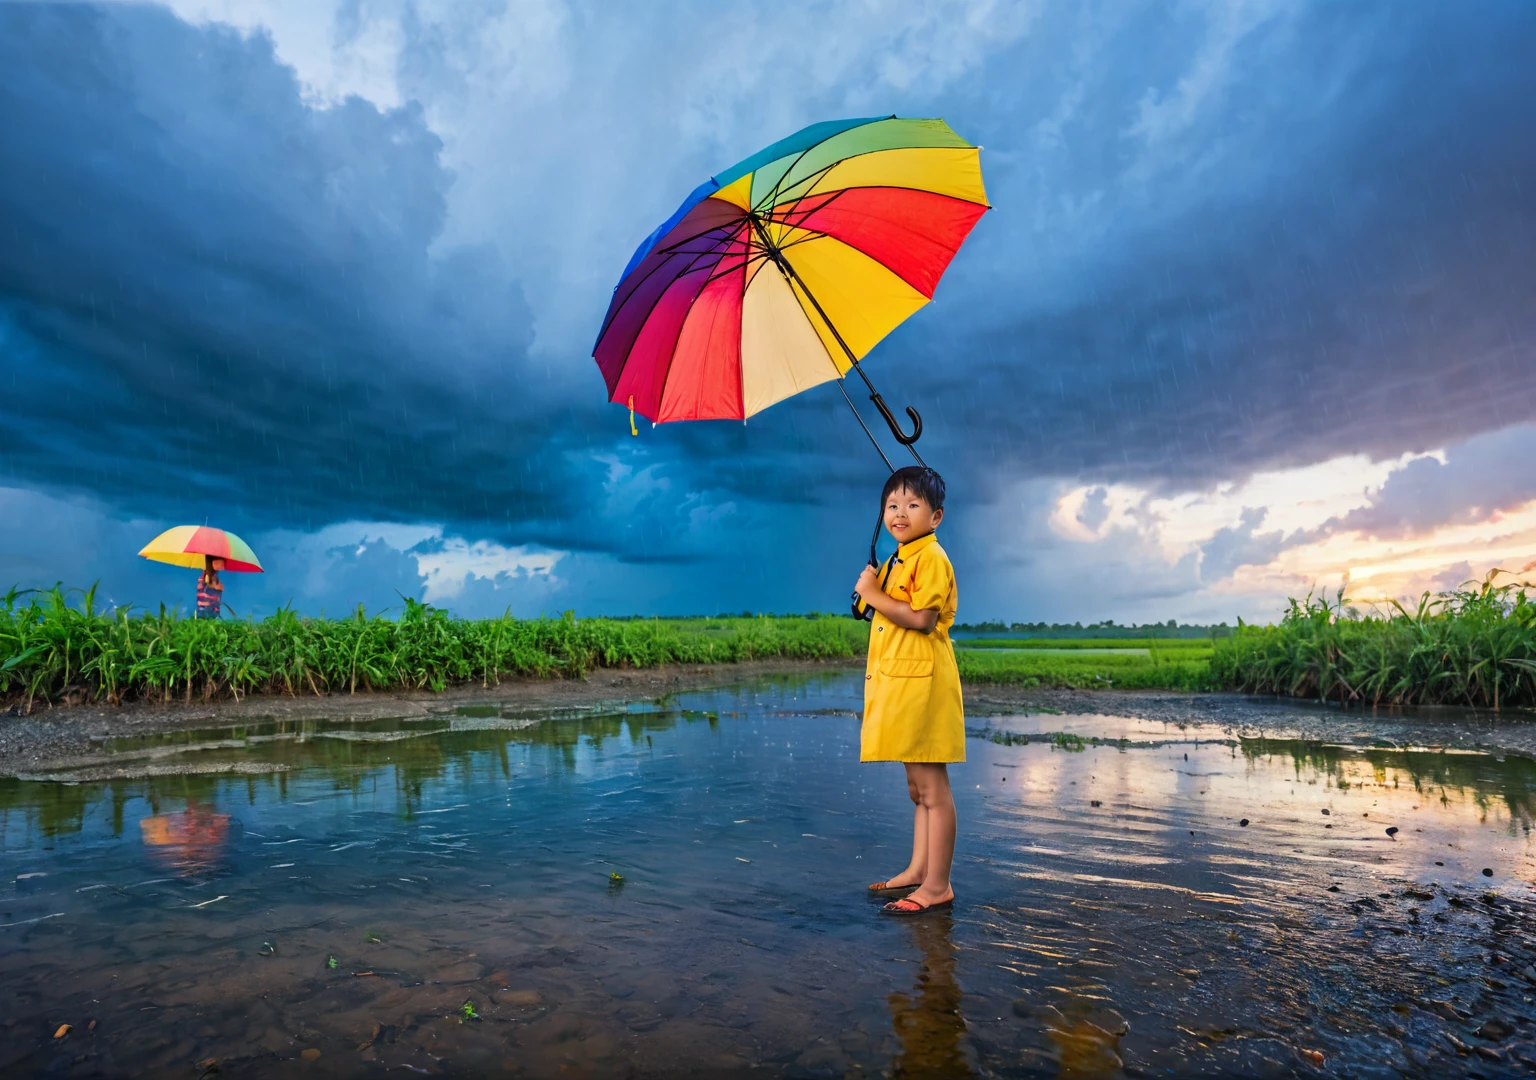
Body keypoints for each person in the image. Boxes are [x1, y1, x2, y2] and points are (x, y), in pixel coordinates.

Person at [853, 466, 964, 916]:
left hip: (923, 687)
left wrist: (873, 595)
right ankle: (920, 870)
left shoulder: (931, 558)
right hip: (903, 685)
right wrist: (870, 590)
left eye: (912, 504)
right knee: (918, 791)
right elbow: (878, 608)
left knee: (934, 790)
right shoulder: (901, 557)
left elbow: (922, 618)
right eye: (892, 505)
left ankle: (938, 885)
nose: (900, 512)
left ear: (936, 517)